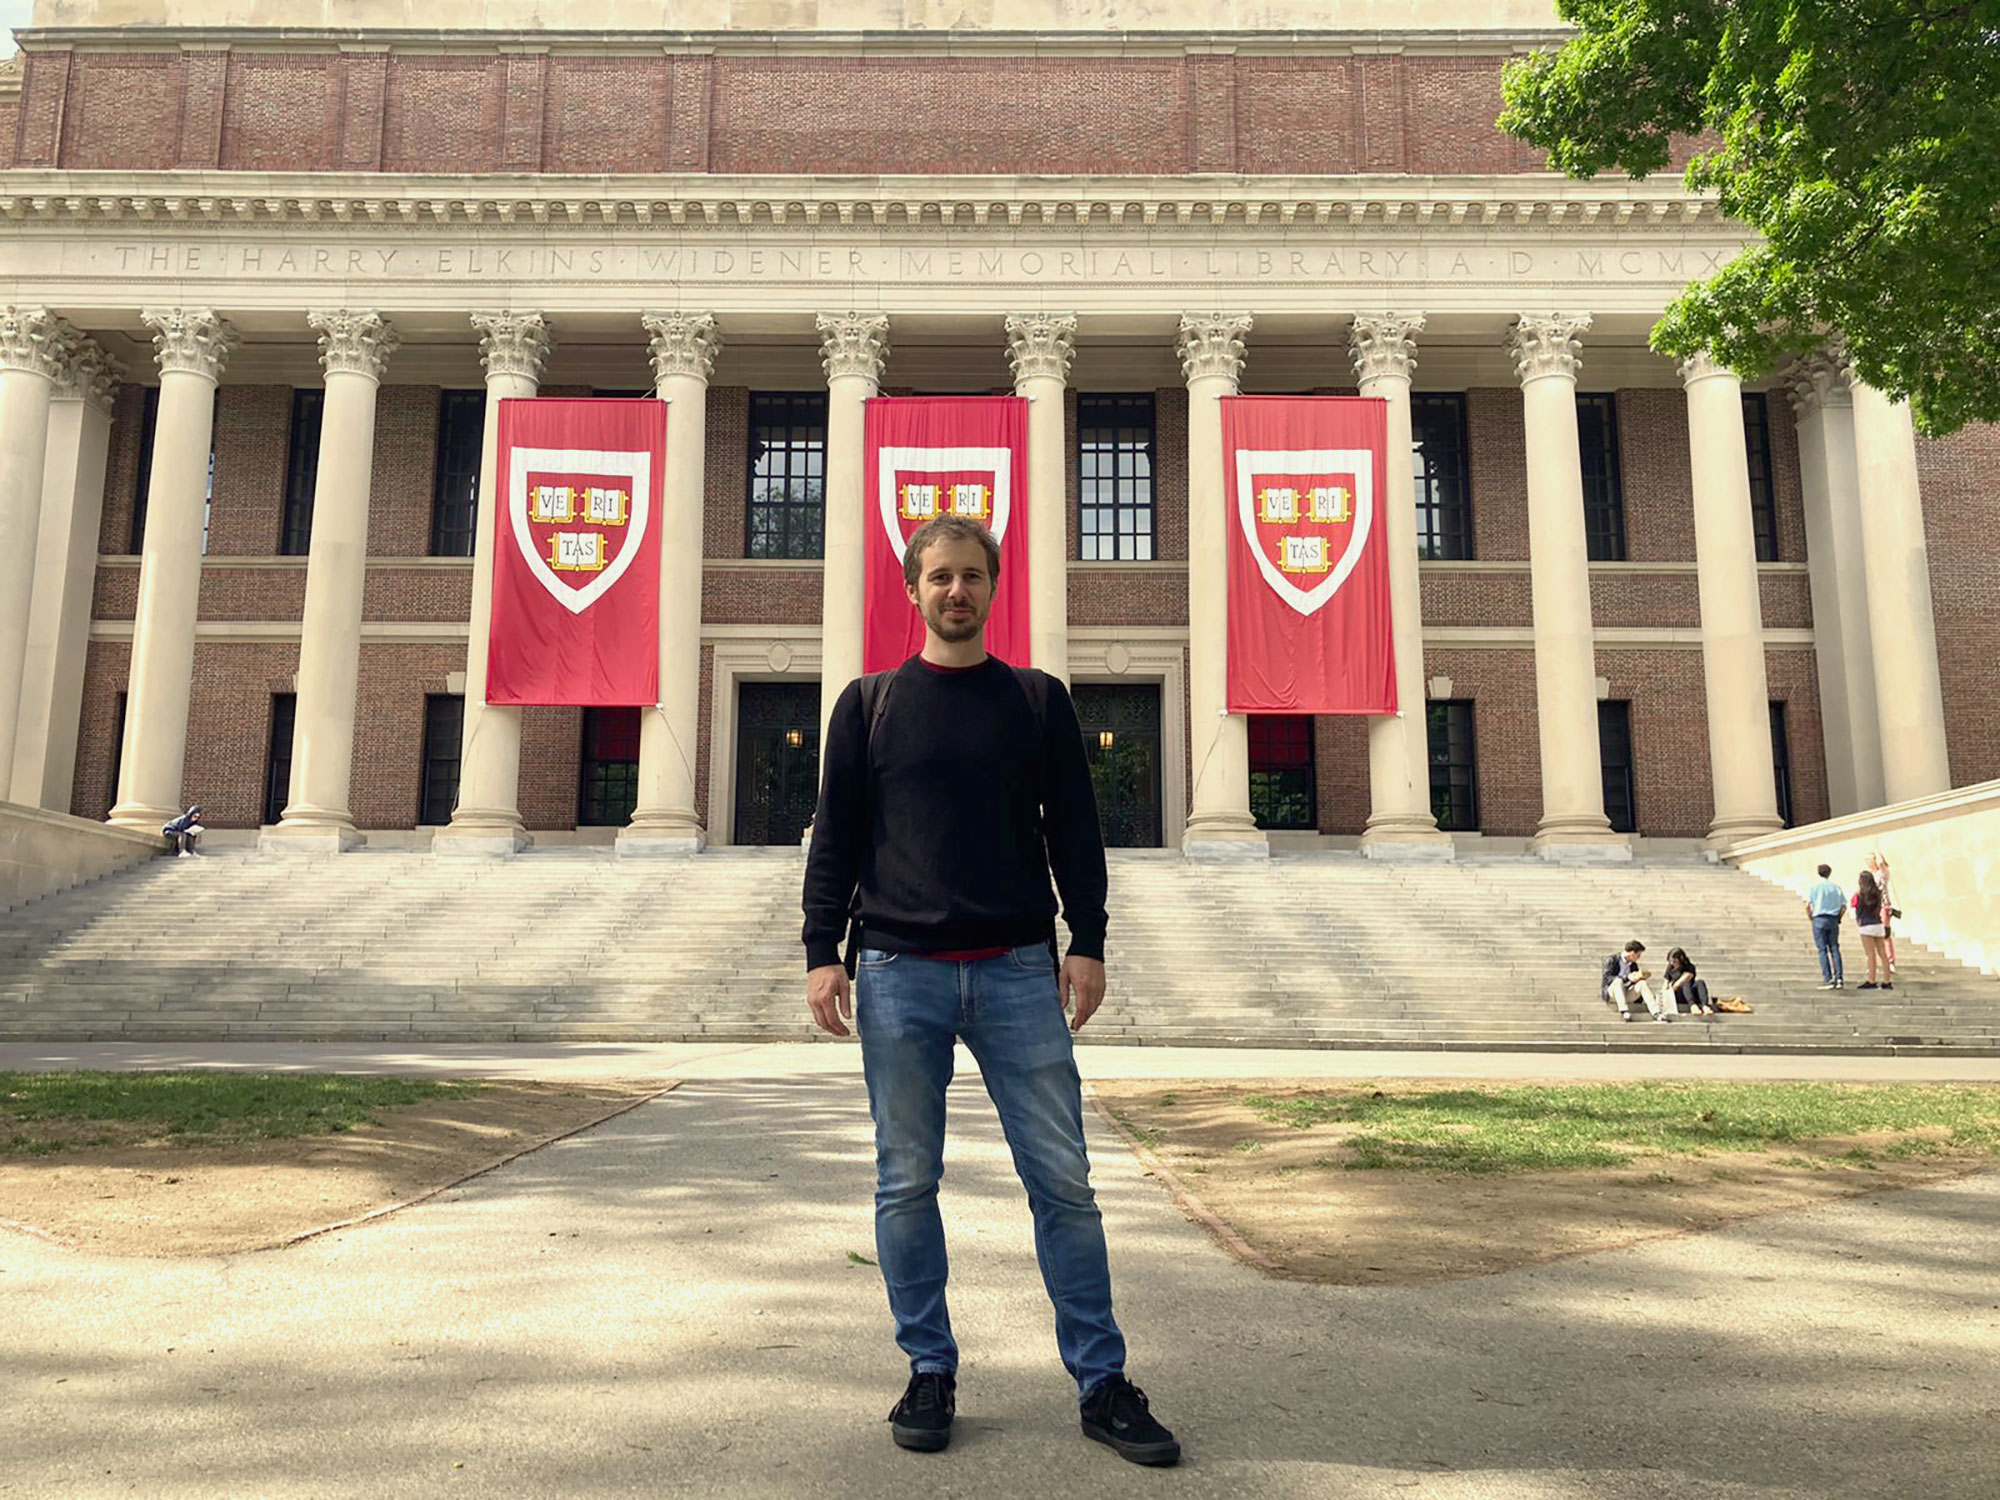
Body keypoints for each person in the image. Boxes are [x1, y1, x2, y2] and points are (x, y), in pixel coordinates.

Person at [801, 513, 1179, 1467]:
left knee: (1064, 1186)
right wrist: (822, 947)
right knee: (906, 1183)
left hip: (1016, 970)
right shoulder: (869, 703)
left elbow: (1075, 835)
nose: (956, 592)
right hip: (897, 971)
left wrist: (1085, 941)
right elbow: (836, 835)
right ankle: (929, 1368)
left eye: (971, 576)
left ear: (993, 586)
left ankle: (1102, 1382)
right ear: (913, 588)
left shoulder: (1038, 702)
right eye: (939, 578)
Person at [1600, 940, 1672, 1022]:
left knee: (1642, 983)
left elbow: (1634, 982)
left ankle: (1656, 1012)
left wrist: (1639, 978)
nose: (1638, 958)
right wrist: (1626, 977)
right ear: (1631, 953)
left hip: (1627, 992)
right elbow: (1606, 978)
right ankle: (1624, 1011)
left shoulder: (1633, 965)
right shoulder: (1612, 960)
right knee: (1618, 981)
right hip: (1613, 993)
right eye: (1638, 955)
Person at [1804, 863, 1846, 990]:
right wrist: (1839, 917)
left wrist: (1810, 916)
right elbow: (1844, 906)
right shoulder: (1836, 887)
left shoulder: (1814, 887)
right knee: (1834, 948)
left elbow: (1807, 904)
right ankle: (1839, 978)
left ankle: (1828, 978)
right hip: (1833, 919)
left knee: (1822, 949)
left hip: (1819, 918)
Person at [1852, 869, 1893, 991]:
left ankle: (1872, 980)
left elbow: (1856, 909)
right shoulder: (1877, 893)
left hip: (1866, 925)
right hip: (1878, 924)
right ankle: (1887, 980)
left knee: (1870, 954)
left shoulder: (1859, 894)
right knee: (1883, 954)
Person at [1867, 851, 1898, 976]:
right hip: (1872, 907)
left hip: (1883, 906)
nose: (1867, 863)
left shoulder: (1882, 873)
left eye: (1869, 860)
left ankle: (1890, 961)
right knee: (1872, 935)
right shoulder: (1869, 875)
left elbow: (1884, 866)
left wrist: (1878, 856)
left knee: (1885, 933)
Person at [1662, 947, 1711, 1015]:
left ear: (1681, 960)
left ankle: (1705, 1006)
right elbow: (1666, 983)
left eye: (1674, 961)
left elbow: (1687, 977)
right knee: (1685, 983)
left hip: (1690, 991)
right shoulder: (1670, 967)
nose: (1672, 963)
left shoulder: (1689, 967)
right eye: (1670, 961)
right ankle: (1692, 1006)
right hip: (1678, 994)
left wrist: (1676, 984)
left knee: (1700, 982)